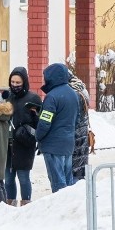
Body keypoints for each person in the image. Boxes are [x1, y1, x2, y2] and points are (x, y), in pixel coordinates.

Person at [35, 63, 80, 193]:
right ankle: (69, 206)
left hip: (52, 145)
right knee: (68, 180)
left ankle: (60, 209)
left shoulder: (52, 96)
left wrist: (38, 136)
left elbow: (45, 122)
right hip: (68, 144)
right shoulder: (73, 94)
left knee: (58, 182)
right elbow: (76, 119)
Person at [2, 66, 41, 206]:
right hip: (8, 145)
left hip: (24, 144)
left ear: (24, 82)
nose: (15, 85)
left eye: (18, 83)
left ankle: (26, 205)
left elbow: (39, 123)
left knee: (24, 178)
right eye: (13, 82)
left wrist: (34, 116)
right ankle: (10, 205)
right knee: (8, 178)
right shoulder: (8, 98)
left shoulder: (33, 98)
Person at [68, 75, 92, 182]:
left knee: (75, 168)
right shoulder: (81, 89)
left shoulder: (74, 93)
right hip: (82, 134)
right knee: (80, 166)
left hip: (76, 134)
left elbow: (73, 116)